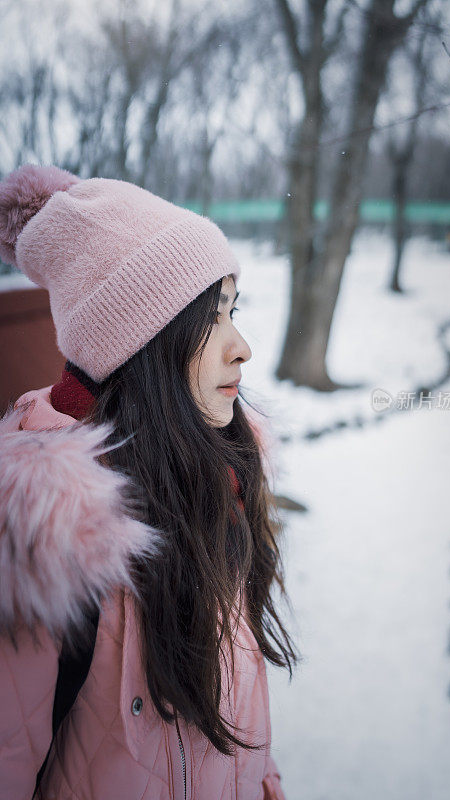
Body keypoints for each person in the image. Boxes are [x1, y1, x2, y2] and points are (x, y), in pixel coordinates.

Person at [0, 164, 300, 799]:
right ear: (142, 346)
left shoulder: (219, 487)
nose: (242, 346)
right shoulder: (48, 543)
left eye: (234, 310)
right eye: (210, 320)